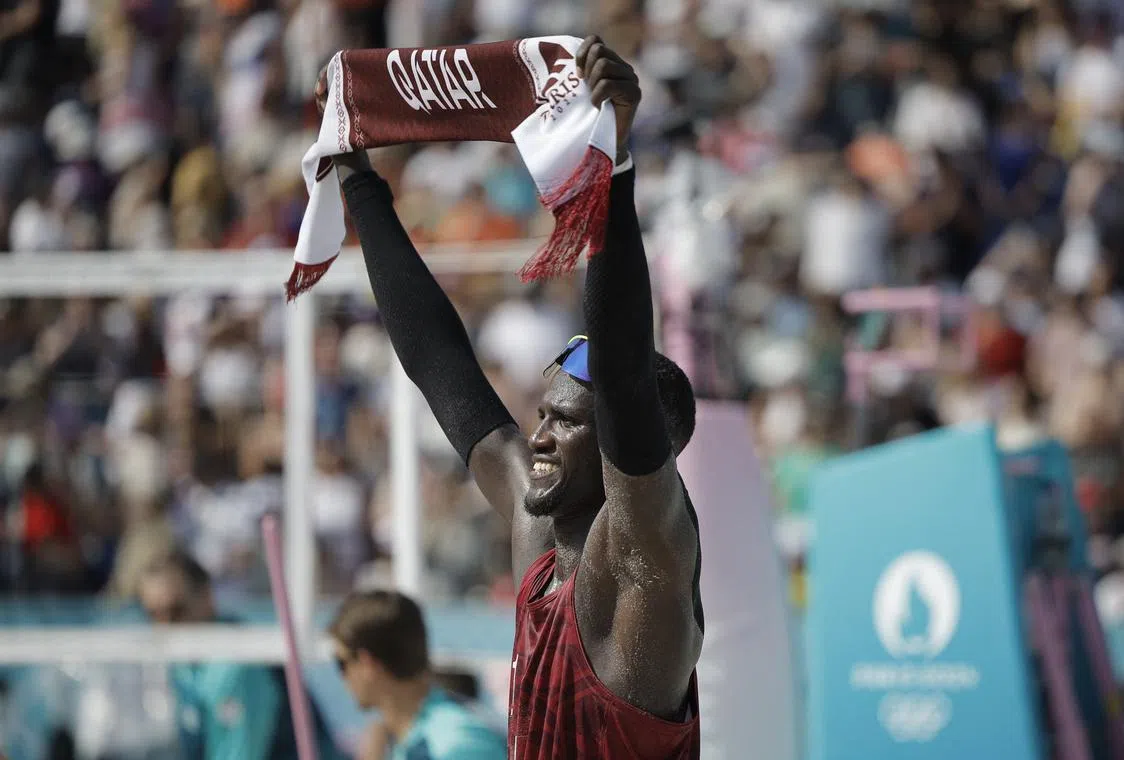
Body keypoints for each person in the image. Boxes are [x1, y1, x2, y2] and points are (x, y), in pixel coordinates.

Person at [318, 34, 702, 758]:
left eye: (569, 422)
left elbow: (620, 378)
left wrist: (612, 165)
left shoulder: (644, 560)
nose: (542, 435)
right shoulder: (539, 535)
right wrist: (357, 180)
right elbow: (443, 371)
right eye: (544, 414)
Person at [138, 550, 346, 760]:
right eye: (153, 614)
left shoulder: (236, 665)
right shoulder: (184, 661)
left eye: (175, 610)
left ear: (206, 597)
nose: (164, 626)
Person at [329, 590, 507, 759]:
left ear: (366, 663)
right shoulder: (405, 736)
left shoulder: (456, 744)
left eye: (341, 663)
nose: (341, 676)